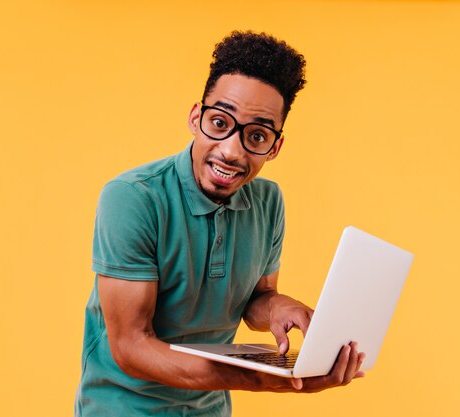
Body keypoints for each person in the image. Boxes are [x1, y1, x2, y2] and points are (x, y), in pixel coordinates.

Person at [75, 31, 365, 417]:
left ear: (274, 147)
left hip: (210, 408)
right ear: (196, 118)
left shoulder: (268, 201)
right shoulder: (133, 197)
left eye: (257, 135)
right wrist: (265, 380)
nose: (231, 150)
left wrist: (279, 307)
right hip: (122, 409)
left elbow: (254, 303)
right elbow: (131, 346)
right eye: (219, 122)